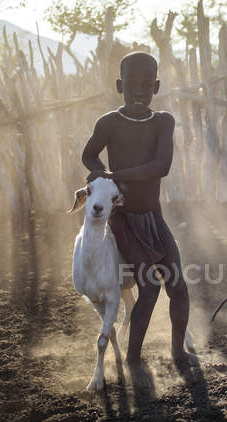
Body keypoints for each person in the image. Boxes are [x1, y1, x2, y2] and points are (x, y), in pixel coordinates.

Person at [82, 52, 193, 385]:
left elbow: (162, 166)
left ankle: (178, 352)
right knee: (148, 289)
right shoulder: (109, 123)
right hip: (124, 220)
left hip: (153, 216)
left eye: (147, 84)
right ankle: (132, 360)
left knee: (179, 288)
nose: (139, 91)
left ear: (157, 87)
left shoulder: (163, 122)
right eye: (131, 84)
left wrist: (116, 175)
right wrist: (103, 178)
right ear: (120, 85)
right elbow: (88, 155)